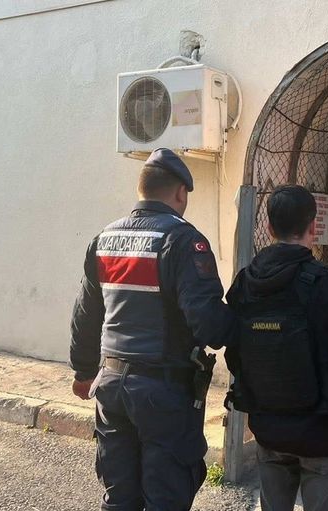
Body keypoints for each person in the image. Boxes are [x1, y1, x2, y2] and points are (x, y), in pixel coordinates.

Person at [69, 148, 236, 511]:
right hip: (163, 392)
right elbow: (209, 325)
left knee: (119, 498)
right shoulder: (183, 240)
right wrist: (240, 318)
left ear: (142, 189)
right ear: (180, 192)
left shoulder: (105, 238)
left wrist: (83, 372)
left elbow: (86, 314)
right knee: (166, 498)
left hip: (110, 387)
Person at [224, 184, 328, 511]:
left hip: (267, 426)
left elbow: (235, 353)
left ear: (269, 228)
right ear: (313, 227)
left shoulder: (245, 283)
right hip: (324, 430)